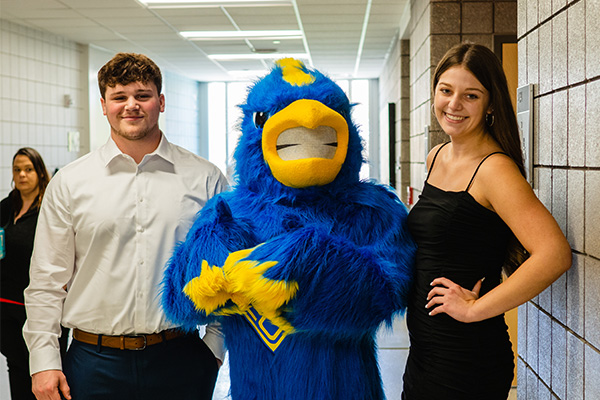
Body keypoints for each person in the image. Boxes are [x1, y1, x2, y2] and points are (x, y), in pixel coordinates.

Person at [23, 53, 228, 400]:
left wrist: (214, 349)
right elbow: (46, 281)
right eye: (119, 97)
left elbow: (230, 267)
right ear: (104, 105)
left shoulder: (205, 179)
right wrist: (44, 361)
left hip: (181, 358)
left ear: (160, 102)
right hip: (93, 363)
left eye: (142, 95)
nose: (131, 105)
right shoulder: (71, 182)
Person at [401, 43, 572, 399]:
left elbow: (554, 254)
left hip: (466, 358)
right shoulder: (436, 156)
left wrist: (476, 308)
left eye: (471, 95)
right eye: (446, 91)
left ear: (491, 104)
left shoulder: (495, 170)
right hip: (425, 350)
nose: (453, 105)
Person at [1, 148, 68, 400]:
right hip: (6, 304)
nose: (22, 175)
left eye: (28, 169)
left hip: (41, 306)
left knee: (45, 371)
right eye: (17, 170)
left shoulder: (49, 209)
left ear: (40, 172)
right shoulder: (7, 207)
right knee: (17, 369)